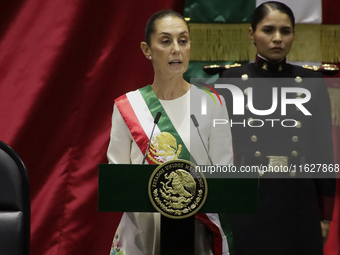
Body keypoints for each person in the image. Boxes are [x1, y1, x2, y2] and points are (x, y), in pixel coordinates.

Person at [107, 9, 234, 255]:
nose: (176, 49)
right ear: (147, 50)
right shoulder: (128, 106)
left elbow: (223, 175)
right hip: (142, 234)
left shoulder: (214, 103)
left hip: (196, 232)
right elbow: (118, 181)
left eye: (183, 41)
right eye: (166, 41)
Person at [217, 1, 336, 255]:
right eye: (268, 30)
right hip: (248, 199)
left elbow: (323, 149)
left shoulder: (311, 82)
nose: (277, 39)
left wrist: (325, 215)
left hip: (297, 201)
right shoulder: (231, 81)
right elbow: (218, 149)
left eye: (286, 31)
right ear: (252, 34)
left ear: (294, 34)